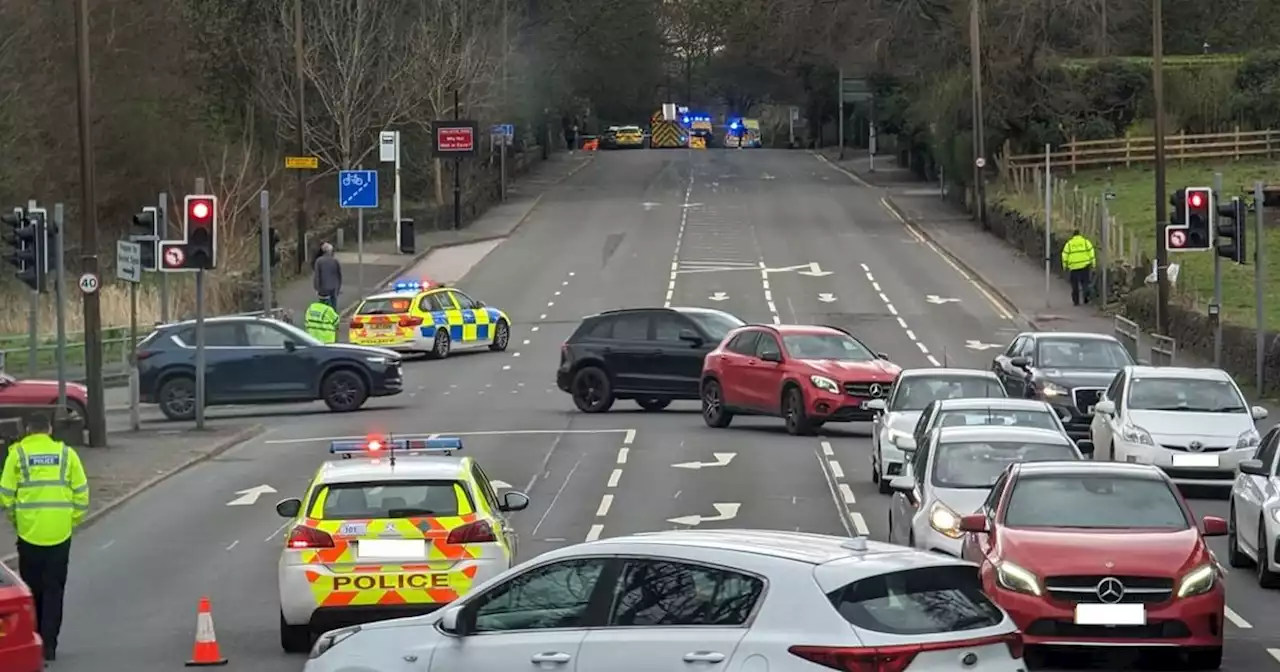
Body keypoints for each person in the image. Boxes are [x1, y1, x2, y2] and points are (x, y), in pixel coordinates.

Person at [0, 413, 89, 661]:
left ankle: (35, 638)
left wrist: (16, 520)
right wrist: (71, 521)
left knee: (32, 589)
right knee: (54, 589)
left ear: (28, 430)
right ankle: (50, 645)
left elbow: (5, 495)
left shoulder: (16, 455)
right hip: (60, 534)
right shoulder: (66, 454)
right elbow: (82, 493)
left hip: (29, 534)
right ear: (49, 430)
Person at [1060, 229, 1097, 306]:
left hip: (1073, 267)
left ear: (1073, 235)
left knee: (1075, 286)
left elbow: (1064, 255)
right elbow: (1091, 253)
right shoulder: (1086, 242)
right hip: (1085, 266)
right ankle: (1086, 297)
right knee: (1085, 283)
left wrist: (1065, 266)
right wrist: (1093, 264)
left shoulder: (1069, 244)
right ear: (1080, 234)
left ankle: (1076, 302)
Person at [313, 241, 342, 309]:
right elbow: (339, 275)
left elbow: (317, 276)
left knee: (323, 307)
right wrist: (338, 287)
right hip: (334, 289)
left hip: (323, 289)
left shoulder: (319, 261)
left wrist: (317, 288)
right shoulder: (335, 261)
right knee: (333, 307)